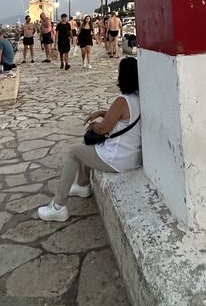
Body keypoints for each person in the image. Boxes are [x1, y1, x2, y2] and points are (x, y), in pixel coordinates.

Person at [37, 57, 142, 221]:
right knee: (85, 146)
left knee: (74, 152)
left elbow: (103, 128)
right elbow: (122, 117)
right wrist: (101, 113)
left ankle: (58, 206)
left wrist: (93, 126)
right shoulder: (137, 98)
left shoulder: (122, 101)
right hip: (130, 156)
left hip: (118, 158)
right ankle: (82, 184)